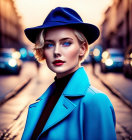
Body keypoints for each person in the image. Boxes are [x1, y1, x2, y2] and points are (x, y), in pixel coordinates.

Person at [22, 7, 116, 140]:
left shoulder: (95, 101)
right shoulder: (46, 99)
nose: (56, 52)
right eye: (49, 45)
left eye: (66, 43)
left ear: (82, 48)